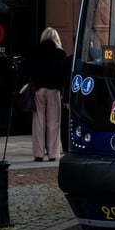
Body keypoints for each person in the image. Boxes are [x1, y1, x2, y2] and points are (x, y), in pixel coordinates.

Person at [29, 27, 68, 161]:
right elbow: (64, 74)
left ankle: (38, 154)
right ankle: (53, 153)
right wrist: (62, 90)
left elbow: (30, 71)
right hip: (54, 90)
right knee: (54, 121)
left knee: (39, 121)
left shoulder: (36, 51)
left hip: (39, 89)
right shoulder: (60, 53)